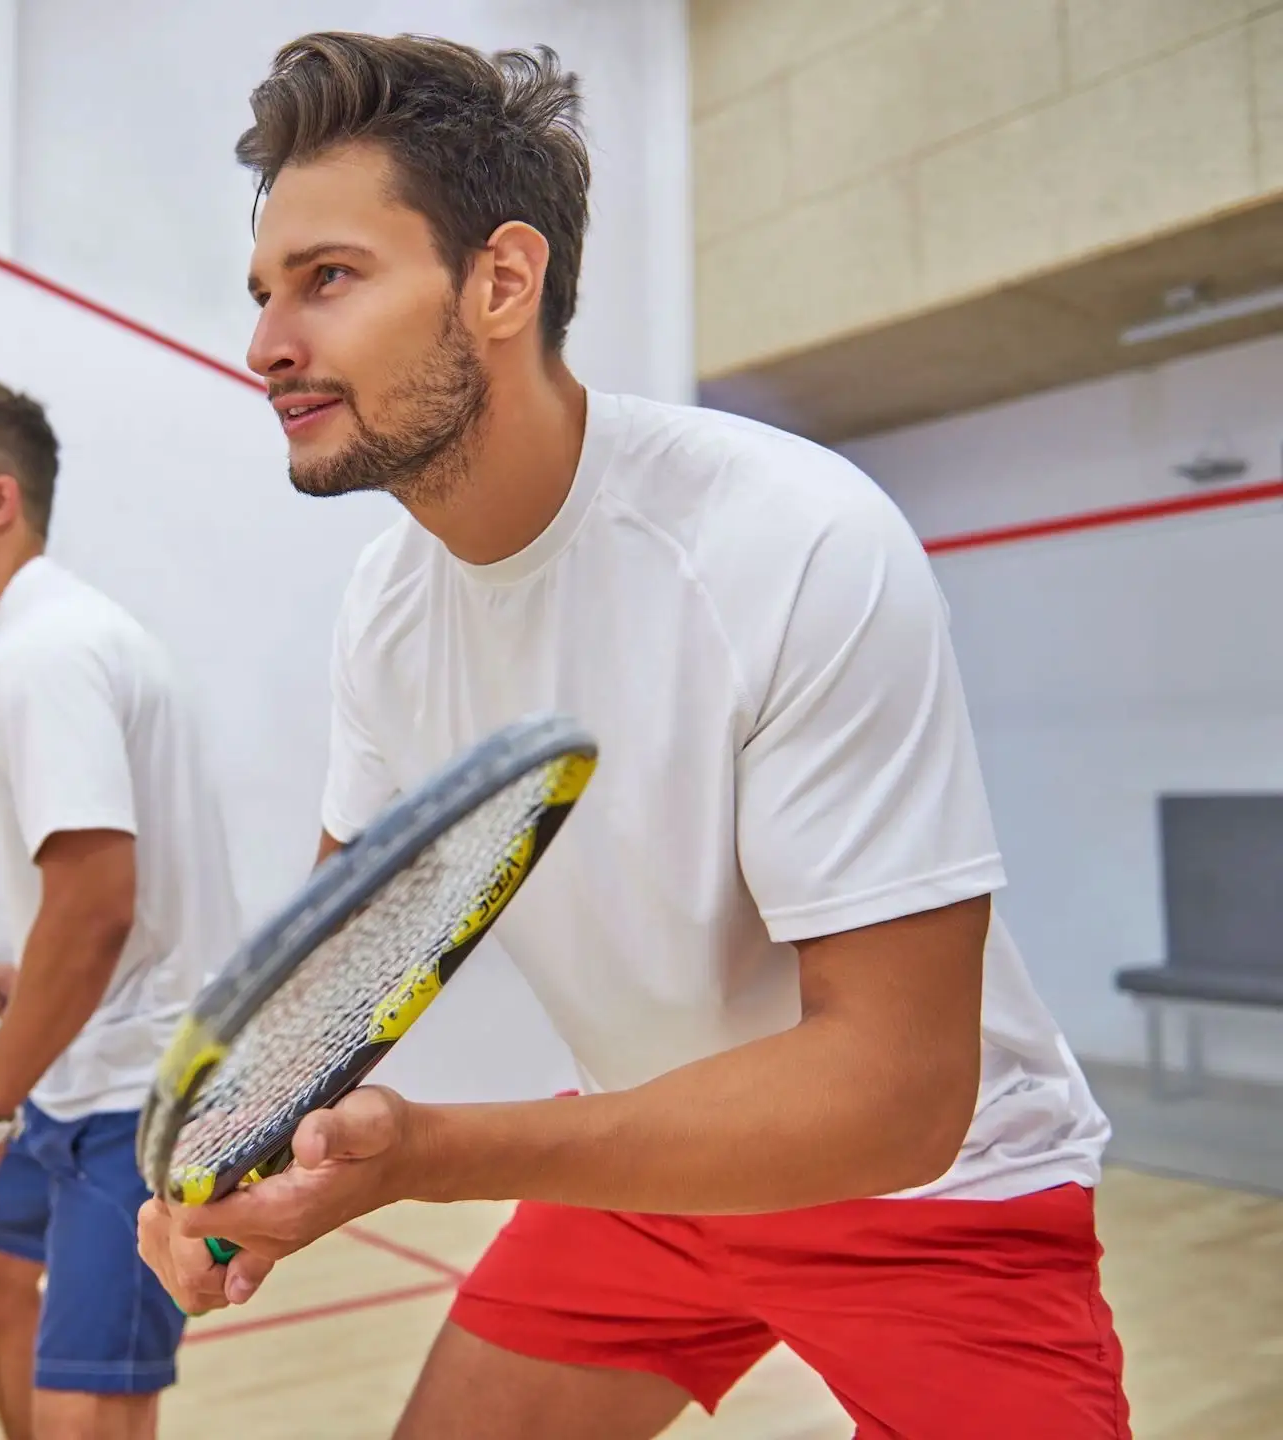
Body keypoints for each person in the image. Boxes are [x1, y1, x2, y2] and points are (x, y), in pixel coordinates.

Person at [136, 33, 1129, 1440]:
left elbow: (900, 1092)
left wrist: (427, 1156)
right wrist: (235, 1167)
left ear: (501, 280)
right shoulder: (389, 603)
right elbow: (330, 982)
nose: (266, 343)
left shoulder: (795, 538)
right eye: (262, 293)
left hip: (936, 1193)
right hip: (652, 1170)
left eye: (328, 280)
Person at [0, 368, 242, 1440]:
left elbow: (95, 910)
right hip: (94, 1072)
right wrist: (35, 987)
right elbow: (95, 909)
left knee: (91, 1408)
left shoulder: (46, 655)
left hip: (140, 1100)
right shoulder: (60, 638)